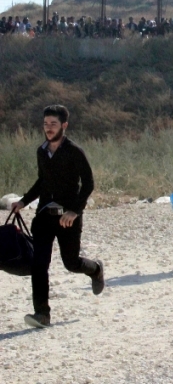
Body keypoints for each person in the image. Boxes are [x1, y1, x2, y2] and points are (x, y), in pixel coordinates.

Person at [11, 105, 105, 329]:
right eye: (46, 124)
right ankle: (42, 313)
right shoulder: (41, 151)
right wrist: (23, 201)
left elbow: (88, 184)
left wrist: (75, 211)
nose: (48, 128)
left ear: (64, 125)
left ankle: (96, 269)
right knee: (39, 264)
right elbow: (41, 182)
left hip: (68, 216)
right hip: (44, 215)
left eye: (53, 124)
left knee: (71, 263)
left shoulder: (74, 151)